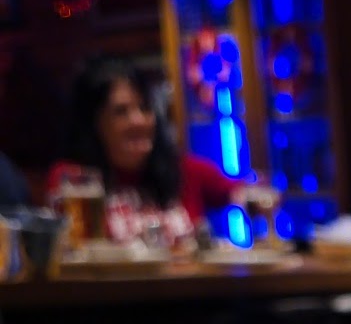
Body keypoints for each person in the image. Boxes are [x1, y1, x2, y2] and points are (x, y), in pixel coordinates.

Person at [48, 57, 269, 250]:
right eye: (121, 112)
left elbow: (245, 192)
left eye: (145, 108)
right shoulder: (73, 181)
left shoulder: (185, 171)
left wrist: (257, 198)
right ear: (93, 125)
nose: (139, 121)